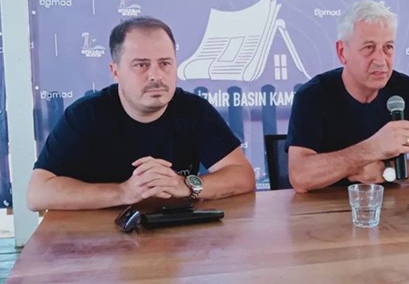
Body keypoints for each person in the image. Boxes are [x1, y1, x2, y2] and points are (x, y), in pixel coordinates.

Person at [27, 17, 255, 211]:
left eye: (165, 63)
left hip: (176, 237)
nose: (156, 75)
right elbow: (37, 194)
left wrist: (184, 185)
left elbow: (242, 176)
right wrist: (124, 192)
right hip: (99, 237)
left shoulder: (194, 110)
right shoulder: (86, 115)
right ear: (115, 71)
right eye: (141, 65)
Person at [286, 0, 409, 192]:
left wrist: (386, 171)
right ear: (342, 52)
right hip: (323, 207)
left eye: (388, 47)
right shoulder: (313, 95)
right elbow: (300, 176)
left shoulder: (408, 89)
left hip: (389, 206)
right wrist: (372, 148)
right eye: (369, 48)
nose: (380, 60)